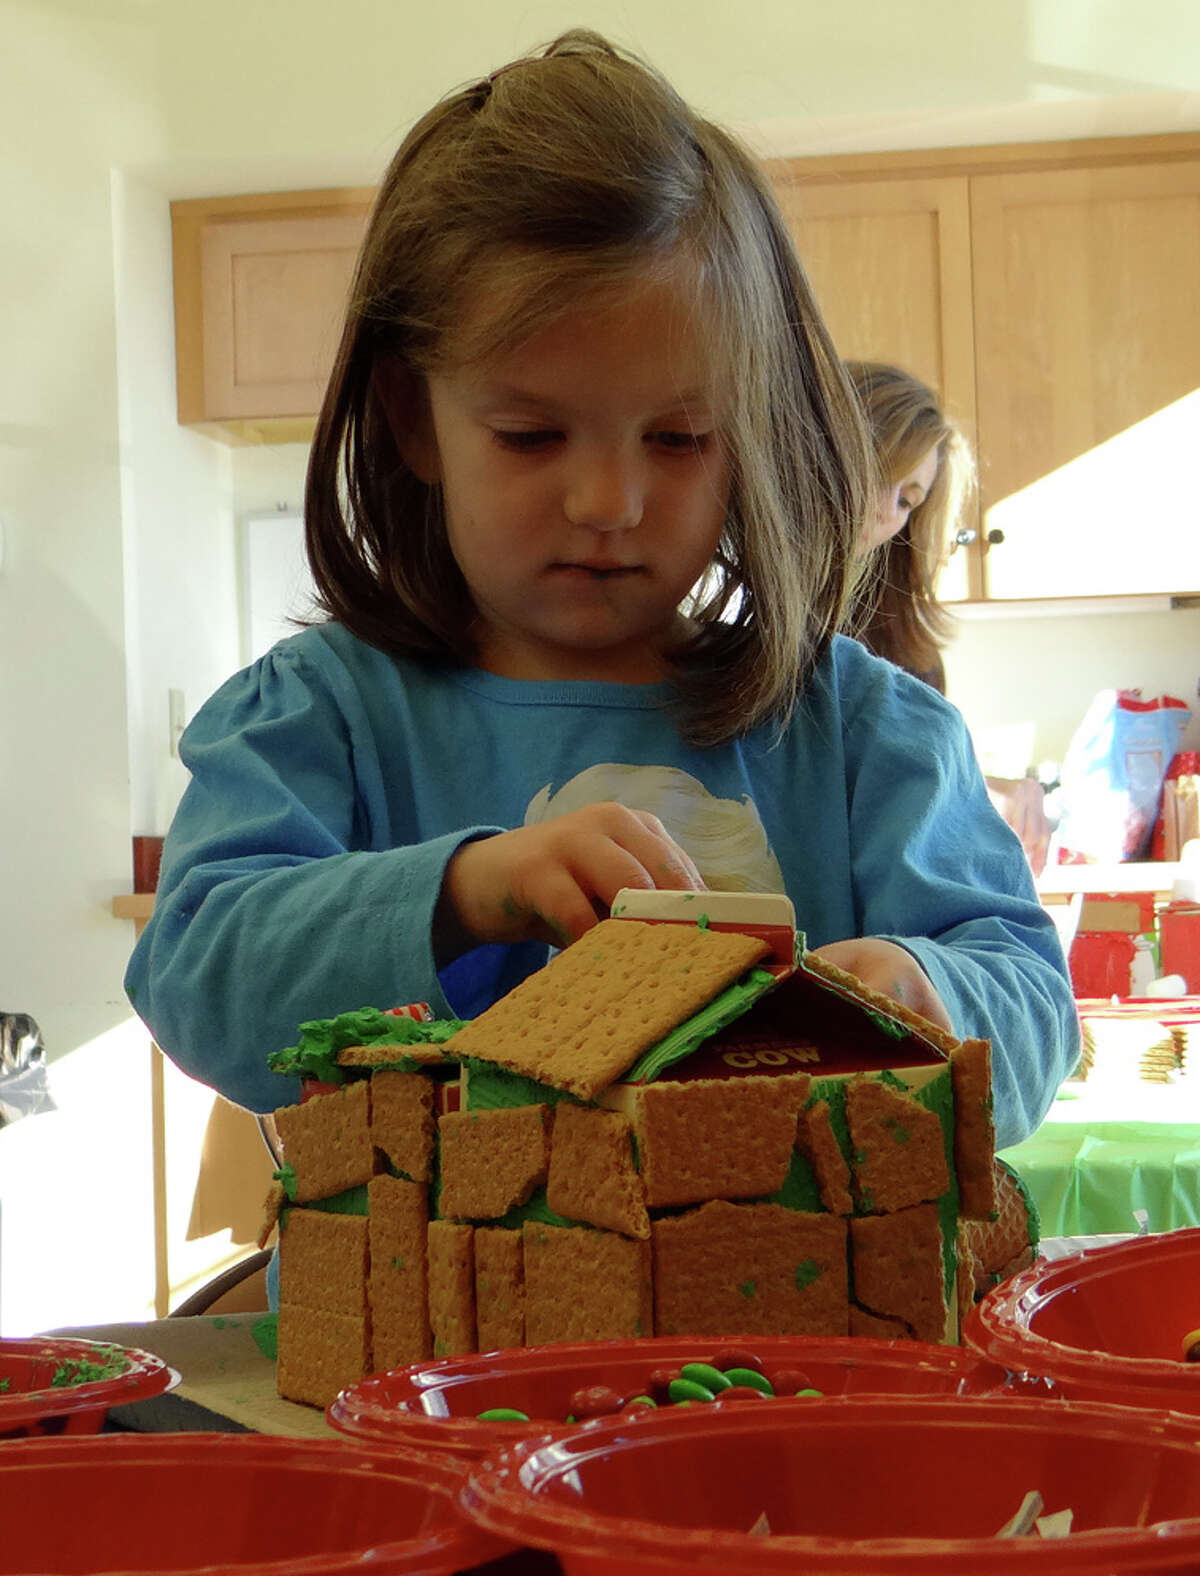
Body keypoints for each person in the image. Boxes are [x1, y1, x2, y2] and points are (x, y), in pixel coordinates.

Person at [126, 31, 1078, 1152]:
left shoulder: (867, 735)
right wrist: (468, 888)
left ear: (751, 437)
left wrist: (931, 992)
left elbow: (1032, 1006)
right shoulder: (319, 717)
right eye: (531, 435)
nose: (609, 501)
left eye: (679, 437)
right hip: (426, 1338)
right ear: (409, 419)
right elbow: (197, 976)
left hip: (791, 1331)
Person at [846, 360, 1053, 876]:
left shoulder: (898, 647)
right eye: (873, 471)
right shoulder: (724, 617)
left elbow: (897, 787)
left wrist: (975, 792)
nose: (881, 512)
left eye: (905, 500)